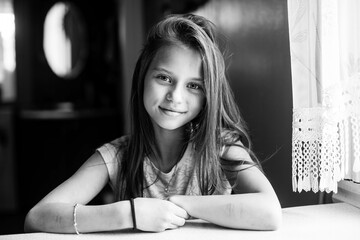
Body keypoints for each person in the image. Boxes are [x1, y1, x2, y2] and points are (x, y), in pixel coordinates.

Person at [24, 13, 282, 234]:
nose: (175, 97)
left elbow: (270, 212)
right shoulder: (117, 156)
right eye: (164, 78)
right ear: (143, 77)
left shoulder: (221, 147)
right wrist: (130, 213)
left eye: (194, 86)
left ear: (207, 96)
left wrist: (179, 204)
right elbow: (36, 217)